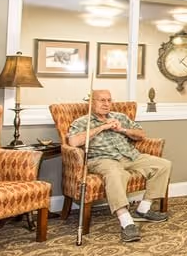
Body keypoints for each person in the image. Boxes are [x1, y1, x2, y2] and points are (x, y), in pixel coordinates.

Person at [68, 89, 172, 243]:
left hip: (130, 156)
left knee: (163, 164)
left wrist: (121, 129)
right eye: (102, 100)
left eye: (109, 100)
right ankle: (126, 222)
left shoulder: (120, 117)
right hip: (103, 159)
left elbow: (141, 134)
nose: (106, 104)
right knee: (115, 174)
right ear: (91, 102)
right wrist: (101, 128)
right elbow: (73, 142)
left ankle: (143, 209)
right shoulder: (83, 122)